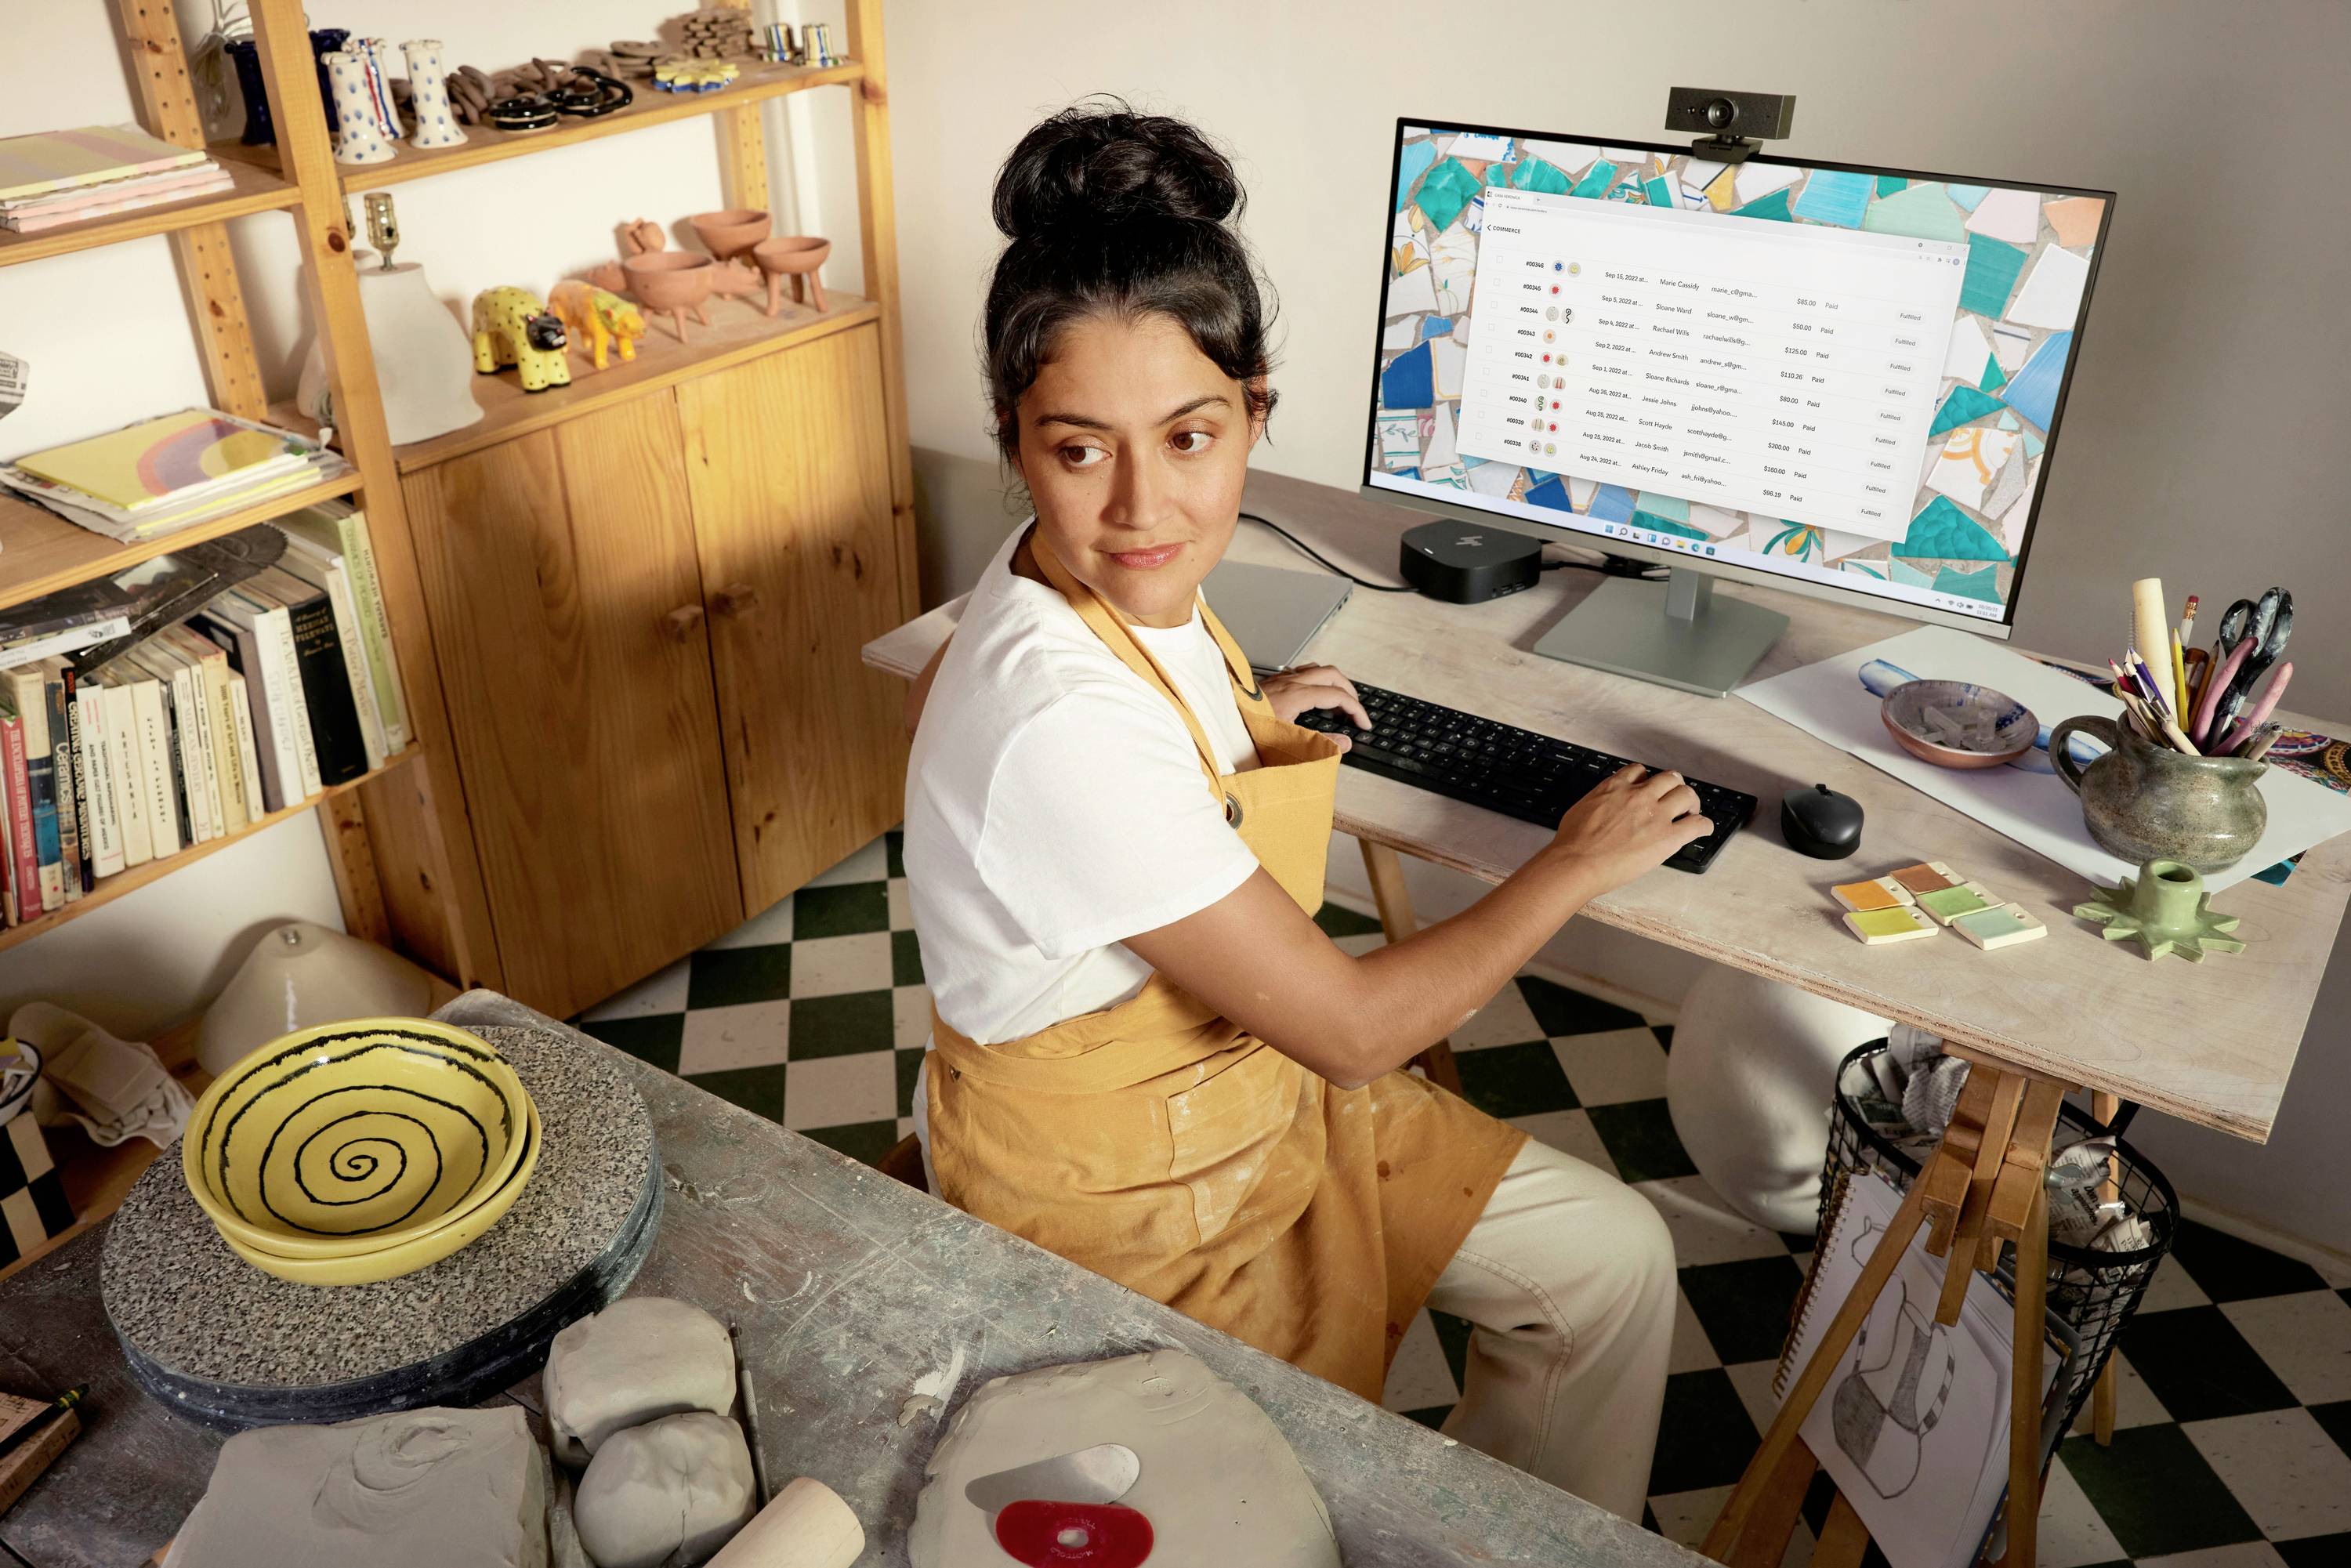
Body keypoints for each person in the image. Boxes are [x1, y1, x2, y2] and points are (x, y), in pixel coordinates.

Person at [901, 103, 1700, 1520]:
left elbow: (1152, 747)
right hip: (1136, 1197)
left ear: (1255, 410)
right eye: (1078, 449)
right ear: (1017, 443)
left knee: (1615, 1259)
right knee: (1287, 1494)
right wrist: (1576, 860)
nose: (1146, 504)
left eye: (1192, 436)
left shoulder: (1113, 597)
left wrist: (1252, 704)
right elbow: (1353, 1031)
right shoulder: (1053, 715)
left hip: (1247, 1102)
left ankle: (1509, 1537)